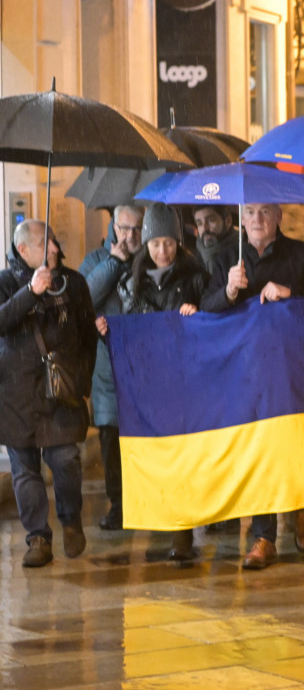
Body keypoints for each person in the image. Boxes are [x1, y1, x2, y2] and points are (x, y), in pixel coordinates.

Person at [201, 202, 304, 570]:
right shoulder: (225, 258)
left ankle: (299, 509)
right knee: (258, 450)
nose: (257, 219)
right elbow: (206, 309)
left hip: (292, 366)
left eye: (265, 212)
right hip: (246, 370)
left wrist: (290, 292)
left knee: (292, 444)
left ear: (278, 217)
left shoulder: (301, 255)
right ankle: (263, 537)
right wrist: (228, 291)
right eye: (250, 213)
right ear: (241, 219)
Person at [105, 203, 209, 562]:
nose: (162, 250)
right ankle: (166, 521)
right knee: (157, 454)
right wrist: (108, 332)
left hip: (187, 381)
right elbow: (129, 332)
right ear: (145, 244)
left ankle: (182, 533)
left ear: (178, 242)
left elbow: (212, 320)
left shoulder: (196, 278)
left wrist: (197, 314)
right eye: (155, 243)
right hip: (150, 384)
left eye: (168, 242)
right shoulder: (130, 283)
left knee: (184, 455)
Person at [0, 221, 97, 567]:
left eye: (54, 241)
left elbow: (87, 336)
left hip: (61, 393)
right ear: (23, 249)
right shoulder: (4, 282)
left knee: (66, 460)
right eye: (46, 243)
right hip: (17, 395)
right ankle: (38, 537)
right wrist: (30, 292)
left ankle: (71, 520)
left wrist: (82, 382)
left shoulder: (74, 283)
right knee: (25, 471)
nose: (54, 249)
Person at [79, 203, 144, 531]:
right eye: (124, 228)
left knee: (144, 439)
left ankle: (145, 502)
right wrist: (114, 262)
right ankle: (118, 505)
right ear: (113, 227)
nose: (130, 235)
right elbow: (84, 298)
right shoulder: (95, 259)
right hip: (107, 368)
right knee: (111, 439)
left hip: (143, 366)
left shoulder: (148, 258)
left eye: (136, 229)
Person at [192, 204, 237, 274]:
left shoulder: (242, 253)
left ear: (228, 221)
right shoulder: (192, 257)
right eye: (199, 223)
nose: (204, 228)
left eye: (211, 221)